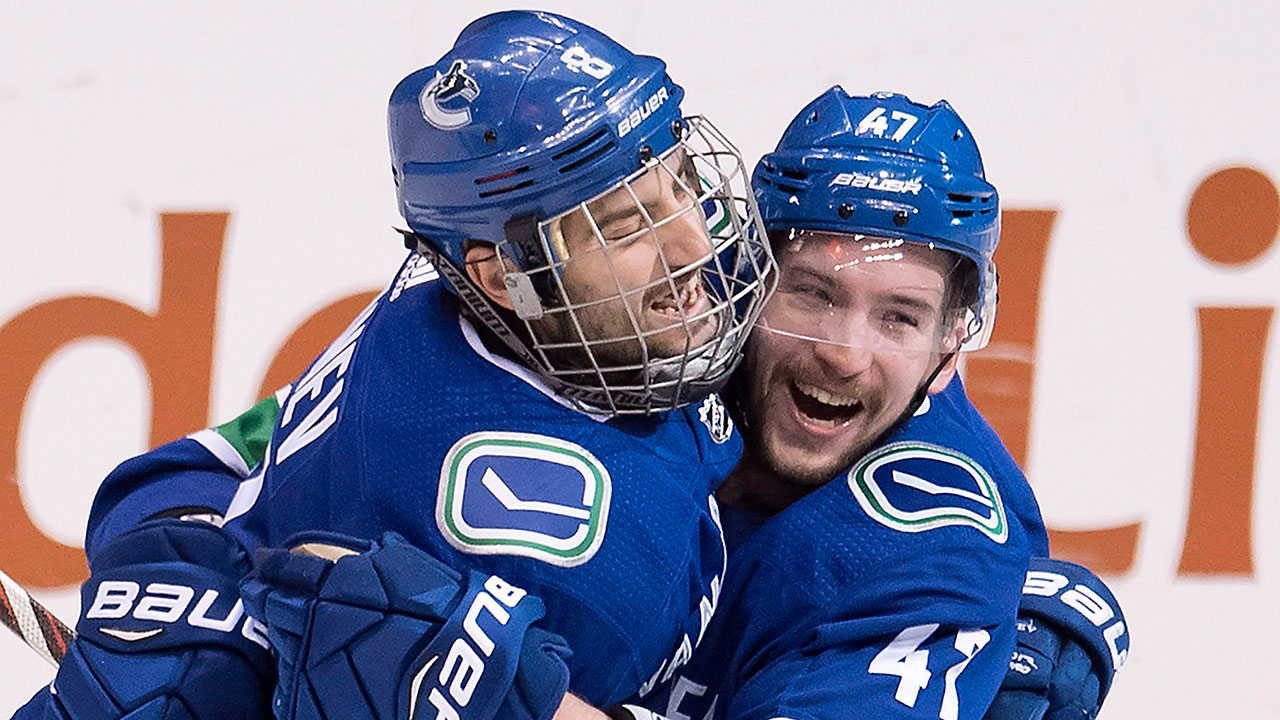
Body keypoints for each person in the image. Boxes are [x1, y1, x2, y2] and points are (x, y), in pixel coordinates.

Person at [11, 11, 773, 720]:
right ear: (501, 277)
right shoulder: (553, 559)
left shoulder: (432, 298)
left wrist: (184, 565)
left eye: (678, 182)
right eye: (624, 228)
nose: (695, 246)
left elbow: (178, 476)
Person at [627, 88, 1127, 720]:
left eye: (898, 318)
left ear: (947, 351)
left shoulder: (944, 543)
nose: (845, 355)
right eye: (814, 295)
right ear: (747, 281)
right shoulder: (632, 341)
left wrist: (510, 679)